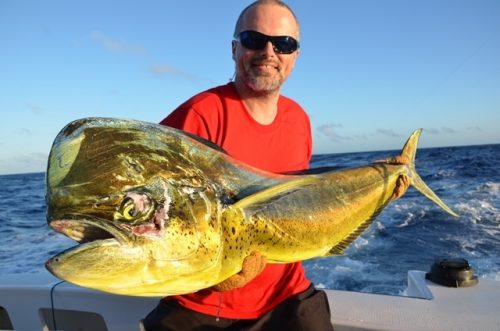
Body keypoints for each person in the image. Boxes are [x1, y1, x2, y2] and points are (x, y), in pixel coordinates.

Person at [143, 1, 408, 330]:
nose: (269, 52)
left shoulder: (299, 119)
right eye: (254, 39)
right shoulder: (199, 115)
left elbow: (308, 200)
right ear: (234, 48)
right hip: (203, 304)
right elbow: (154, 222)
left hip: (287, 296)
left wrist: (376, 186)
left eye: (283, 44)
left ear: (295, 56)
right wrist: (215, 277)